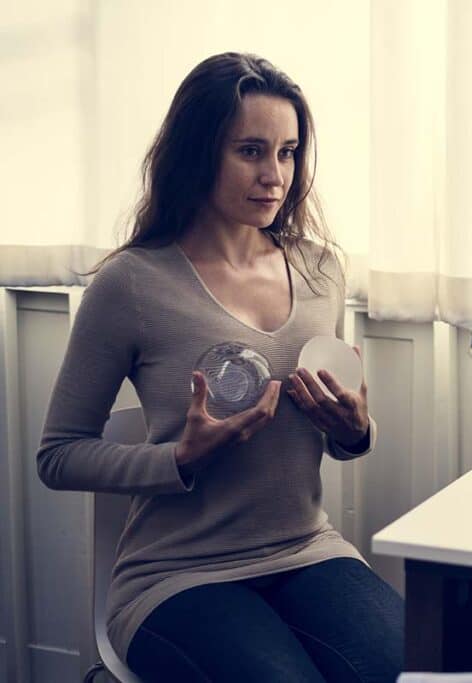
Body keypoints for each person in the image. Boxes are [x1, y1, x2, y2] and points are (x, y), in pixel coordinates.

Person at [37, 53, 402, 682]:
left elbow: (334, 437)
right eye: (251, 151)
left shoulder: (321, 272)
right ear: (198, 153)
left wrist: (354, 429)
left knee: (412, 671)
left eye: (288, 152)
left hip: (304, 550)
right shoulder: (132, 283)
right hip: (176, 573)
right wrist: (180, 458)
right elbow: (58, 455)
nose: (275, 175)